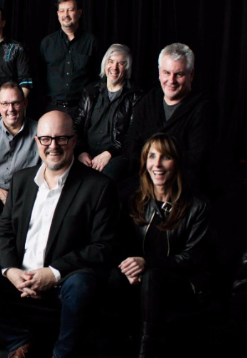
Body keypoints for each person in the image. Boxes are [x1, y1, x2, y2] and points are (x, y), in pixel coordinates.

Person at [0, 110, 119, 358]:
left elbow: (103, 246)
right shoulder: (22, 179)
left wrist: (53, 273)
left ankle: (62, 354)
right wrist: (10, 270)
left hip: (64, 279)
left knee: (82, 285)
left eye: (61, 139)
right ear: (37, 141)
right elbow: (3, 229)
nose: (53, 146)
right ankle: (19, 340)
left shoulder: (99, 186)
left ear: (73, 141)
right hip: (20, 272)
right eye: (46, 139)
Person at [119, 133, 210, 357]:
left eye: (165, 157)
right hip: (140, 278)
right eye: (152, 156)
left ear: (176, 162)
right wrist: (130, 268)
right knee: (112, 277)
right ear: (145, 162)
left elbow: (193, 257)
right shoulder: (134, 200)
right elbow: (121, 244)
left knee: (153, 278)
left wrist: (147, 263)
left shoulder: (197, 206)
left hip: (183, 284)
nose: (157, 164)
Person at [125, 43, 214, 190]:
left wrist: (161, 173)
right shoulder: (148, 101)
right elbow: (131, 144)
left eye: (179, 74)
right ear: (159, 73)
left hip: (182, 184)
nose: (171, 81)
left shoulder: (203, 109)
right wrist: (148, 173)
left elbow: (198, 159)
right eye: (166, 73)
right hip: (144, 177)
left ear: (191, 75)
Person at [74, 44, 143, 181]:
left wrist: (109, 153)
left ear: (127, 67)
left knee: (104, 180)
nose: (114, 67)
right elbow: (77, 125)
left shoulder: (135, 96)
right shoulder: (90, 91)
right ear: (105, 64)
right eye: (111, 61)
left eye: (121, 63)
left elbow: (133, 134)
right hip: (87, 153)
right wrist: (81, 151)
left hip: (117, 155)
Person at [40, 0, 100, 117]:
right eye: (62, 11)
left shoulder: (91, 42)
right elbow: (39, 76)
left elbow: (98, 77)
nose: (65, 15)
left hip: (83, 109)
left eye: (70, 10)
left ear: (79, 13)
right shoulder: (47, 43)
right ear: (58, 14)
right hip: (52, 108)